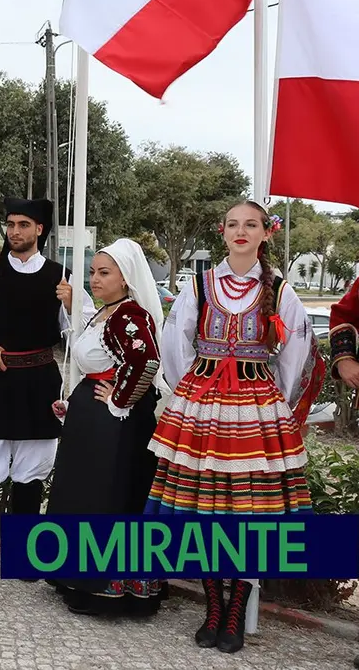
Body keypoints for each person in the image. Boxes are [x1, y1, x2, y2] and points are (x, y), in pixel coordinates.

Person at [147, 201, 323, 654]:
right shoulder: (200, 284)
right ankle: (212, 607)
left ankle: (236, 608)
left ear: (267, 233)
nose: (241, 231)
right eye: (233, 225)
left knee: (249, 511)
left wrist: (274, 401)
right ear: (222, 232)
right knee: (204, 505)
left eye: (251, 225)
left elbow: (296, 348)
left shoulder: (281, 290)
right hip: (204, 409)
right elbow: (175, 338)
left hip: (254, 411)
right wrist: (193, 386)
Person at [0, 197, 94, 585]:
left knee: (31, 473)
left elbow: (89, 333)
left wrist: (75, 305)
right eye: (10, 224)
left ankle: (24, 557)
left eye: (24, 224)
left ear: (40, 230)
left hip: (39, 383)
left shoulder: (62, 277)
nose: (15, 232)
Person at [44, 238, 170, 617]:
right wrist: (76, 404)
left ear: (125, 277)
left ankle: (106, 587)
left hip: (117, 425)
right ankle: (79, 576)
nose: (94, 279)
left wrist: (120, 398)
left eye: (104, 273)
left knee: (107, 494)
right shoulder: (105, 313)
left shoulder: (130, 315)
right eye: (93, 272)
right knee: (86, 492)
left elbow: (146, 360)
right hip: (95, 420)